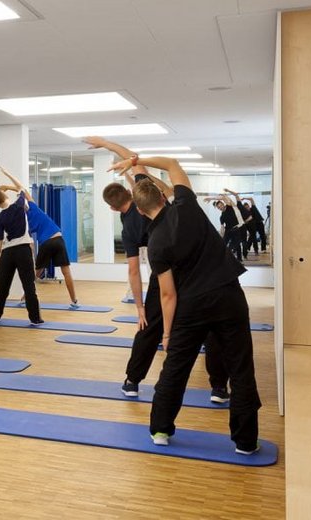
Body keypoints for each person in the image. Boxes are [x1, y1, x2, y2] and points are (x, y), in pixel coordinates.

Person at [111, 154, 261, 455]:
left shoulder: (156, 244)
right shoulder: (187, 205)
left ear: (140, 211)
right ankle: (245, 442)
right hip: (229, 296)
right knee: (241, 367)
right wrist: (138, 160)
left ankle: (161, 430)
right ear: (164, 196)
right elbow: (173, 165)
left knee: (175, 368)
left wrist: (166, 334)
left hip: (192, 306)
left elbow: (168, 295)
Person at [84, 137, 229, 402]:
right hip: (193, 274)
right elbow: (132, 157)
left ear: (114, 207)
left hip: (164, 274)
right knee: (212, 329)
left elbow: (133, 272)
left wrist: (139, 308)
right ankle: (219, 387)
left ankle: (132, 381)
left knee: (147, 328)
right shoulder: (148, 191)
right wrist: (107, 144)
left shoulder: (129, 228)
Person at [0, 165, 79, 309]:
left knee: (35, 274)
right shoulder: (34, 207)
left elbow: (28, 241)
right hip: (58, 239)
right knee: (66, 272)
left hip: (46, 244)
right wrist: (8, 182)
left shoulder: (23, 220)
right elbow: (21, 188)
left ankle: (23, 299)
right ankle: (74, 300)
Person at [0, 183, 44, 325]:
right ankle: (35, 318)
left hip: (7, 253)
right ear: (6, 196)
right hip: (23, 251)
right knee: (28, 285)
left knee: (2, 286)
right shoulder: (19, 205)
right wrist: (8, 187)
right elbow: (22, 190)